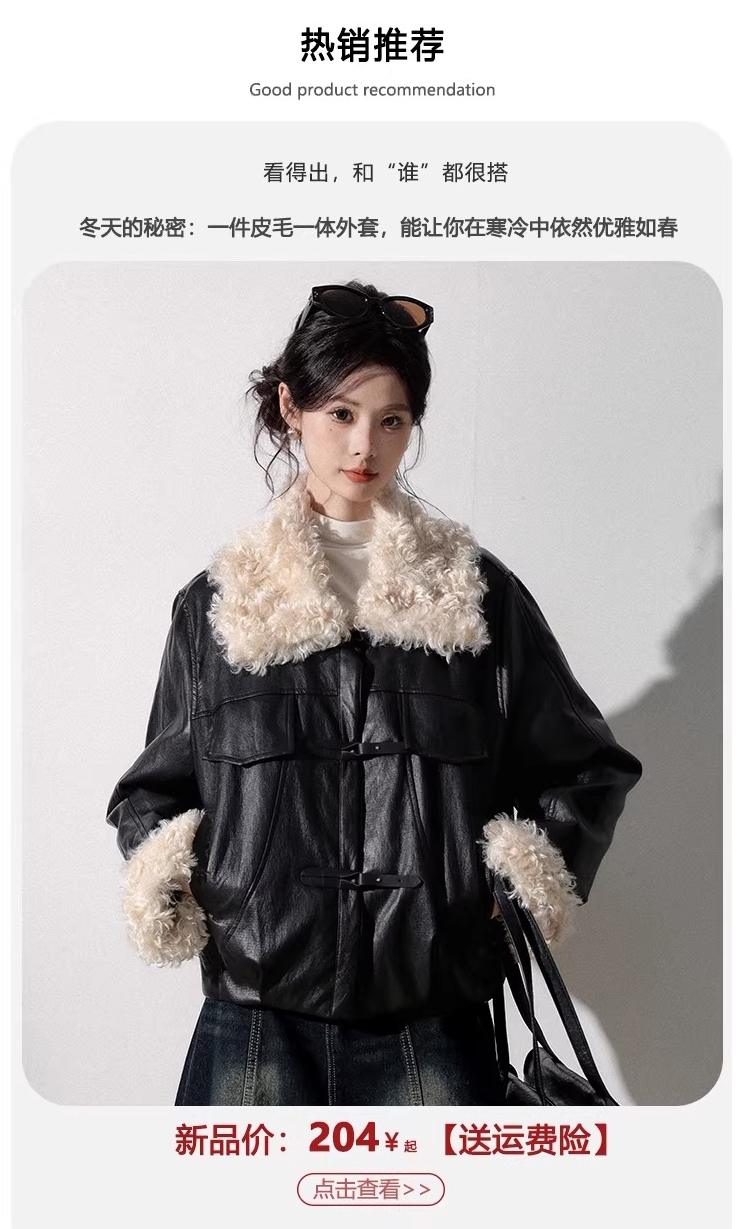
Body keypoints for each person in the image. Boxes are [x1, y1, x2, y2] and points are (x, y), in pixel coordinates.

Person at [106, 281, 641, 1106]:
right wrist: (215, 885)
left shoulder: (474, 598)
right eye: (342, 414)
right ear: (292, 407)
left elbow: (589, 769)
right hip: (255, 1018)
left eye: (392, 420)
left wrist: (507, 886)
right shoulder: (220, 606)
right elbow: (149, 794)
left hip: (434, 1016)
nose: (365, 445)